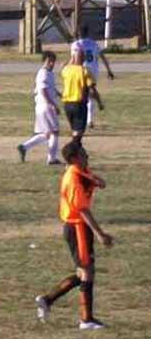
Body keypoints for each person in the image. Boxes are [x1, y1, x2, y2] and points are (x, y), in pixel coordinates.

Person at [35, 141, 113, 329]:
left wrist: (97, 180)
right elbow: (83, 210)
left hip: (79, 227)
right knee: (87, 272)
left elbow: (90, 177)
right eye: (83, 153)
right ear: (74, 158)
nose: (87, 155)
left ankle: (47, 299)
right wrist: (100, 234)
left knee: (83, 272)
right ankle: (86, 320)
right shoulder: (73, 178)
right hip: (78, 227)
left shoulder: (79, 170)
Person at [17, 51, 62, 165]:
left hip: (42, 106)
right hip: (45, 106)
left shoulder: (49, 73)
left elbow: (49, 88)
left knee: (47, 134)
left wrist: (59, 94)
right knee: (55, 132)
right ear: (45, 61)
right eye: (50, 61)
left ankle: (24, 147)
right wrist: (52, 104)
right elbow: (43, 90)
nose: (52, 63)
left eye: (53, 61)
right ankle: (51, 159)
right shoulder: (43, 73)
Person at [71, 27, 115, 129]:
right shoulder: (94, 43)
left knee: (79, 94)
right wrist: (109, 70)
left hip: (81, 70)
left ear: (78, 34)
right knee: (90, 95)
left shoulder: (76, 44)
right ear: (87, 33)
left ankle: (81, 118)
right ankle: (89, 119)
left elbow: (73, 59)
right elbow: (102, 56)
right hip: (93, 71)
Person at [61, 49, 103, 142]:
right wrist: (99, 102)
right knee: (79, 132)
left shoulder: (66, 70)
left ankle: (76, 148)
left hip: (67, 105)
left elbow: (63, 68)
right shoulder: (84, 71)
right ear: (84, 59)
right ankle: (73, 149)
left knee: (74, 130)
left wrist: (71, 59)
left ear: (73, 58)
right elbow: (92, 88)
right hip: (79, 104)